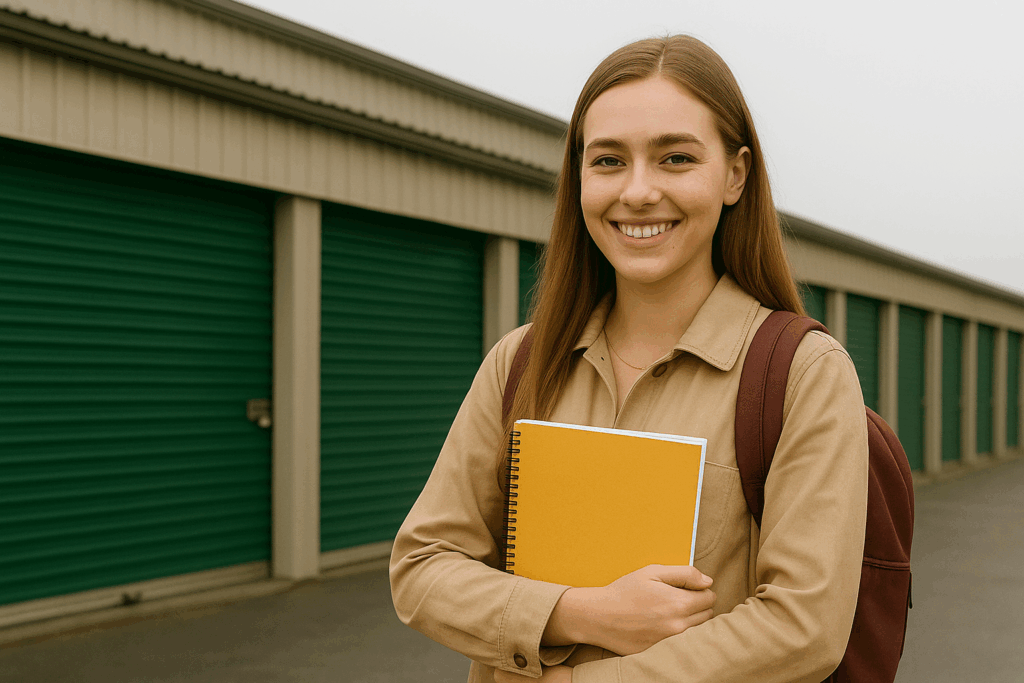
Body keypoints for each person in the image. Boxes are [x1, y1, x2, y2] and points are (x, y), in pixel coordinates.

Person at [390, 35, 868, 683]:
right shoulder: (520, 362)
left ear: (735, 174)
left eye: (675, 157)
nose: (638, 192)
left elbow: (802, 626)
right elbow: (423, 565)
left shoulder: (803, 374)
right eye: (609, 160)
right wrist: (574, 613)